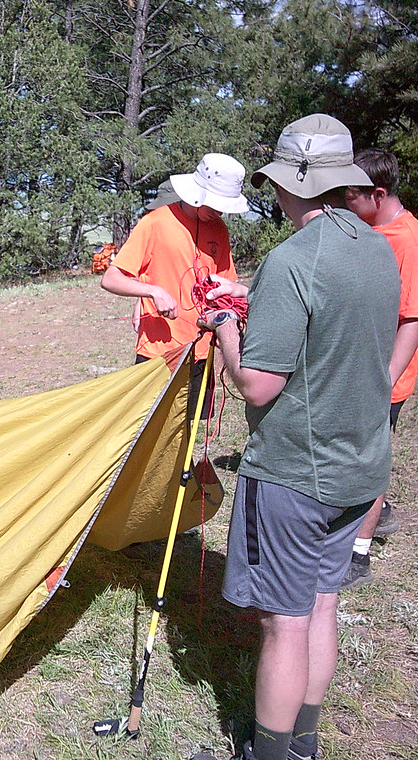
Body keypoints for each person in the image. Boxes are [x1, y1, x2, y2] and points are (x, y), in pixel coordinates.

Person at [197, 115, 399, 760]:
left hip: (294, 472)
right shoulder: (376, 246)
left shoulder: (291, 259)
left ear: (293, 184)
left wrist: (228, 330)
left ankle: (269, 752)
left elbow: (257, 385)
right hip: (359, 464)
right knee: (321, 604)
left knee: (284, 623)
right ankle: (304, 743)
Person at [101, 154, 247, 415]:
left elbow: (228, 282)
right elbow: (111, 279)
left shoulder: (219, 229)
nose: (221, 211)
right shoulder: (156, 222)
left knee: (189, 428)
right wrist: (152, 292)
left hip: (202, 350)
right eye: (216, 204)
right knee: (150, 430)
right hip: (159, 354)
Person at [340, 148, 418, 588]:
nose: (345, 207)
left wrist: (386, 380)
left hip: (385, 376)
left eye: (351, 198)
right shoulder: (373, 231)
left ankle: (358, 554)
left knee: (370, 458)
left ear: (379, 194)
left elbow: (412, 318)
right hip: (360, 367)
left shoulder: (406, 240)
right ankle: (374, 512)